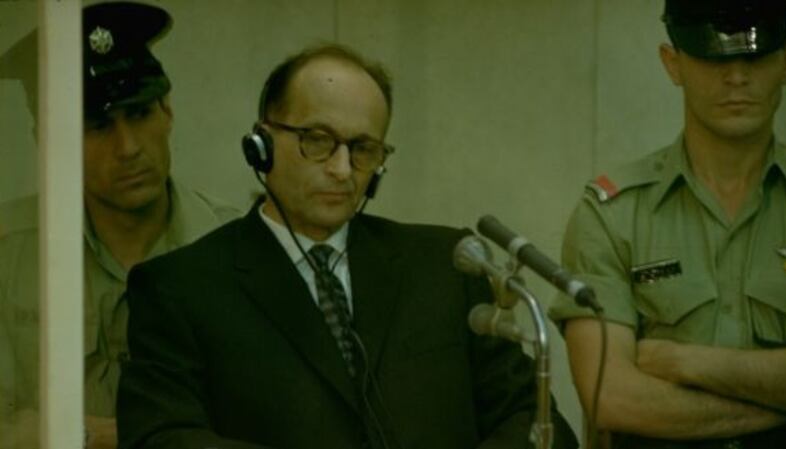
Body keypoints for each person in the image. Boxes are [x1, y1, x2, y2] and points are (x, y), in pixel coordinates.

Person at [115, 44, 579, 449]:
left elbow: (538, 422)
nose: (342, 169)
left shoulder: (446, 264)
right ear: (262, 142)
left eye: (362, 149)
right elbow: (159, 437)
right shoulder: (181, 287)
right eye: (318, 140)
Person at [549, 0, 786, 448]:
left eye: (756, 56)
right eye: (711, 57)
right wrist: (780, 400)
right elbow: (612, 398)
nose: (737, 77)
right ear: (673, 63)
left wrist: (688, 363)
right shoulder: (612, 214)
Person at [0, 2, 239, 448]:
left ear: (167, 111)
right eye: (97, 126)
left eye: (140, 113)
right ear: (47, 139)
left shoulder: (237, 246)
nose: (128, 147)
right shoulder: (7, 249)